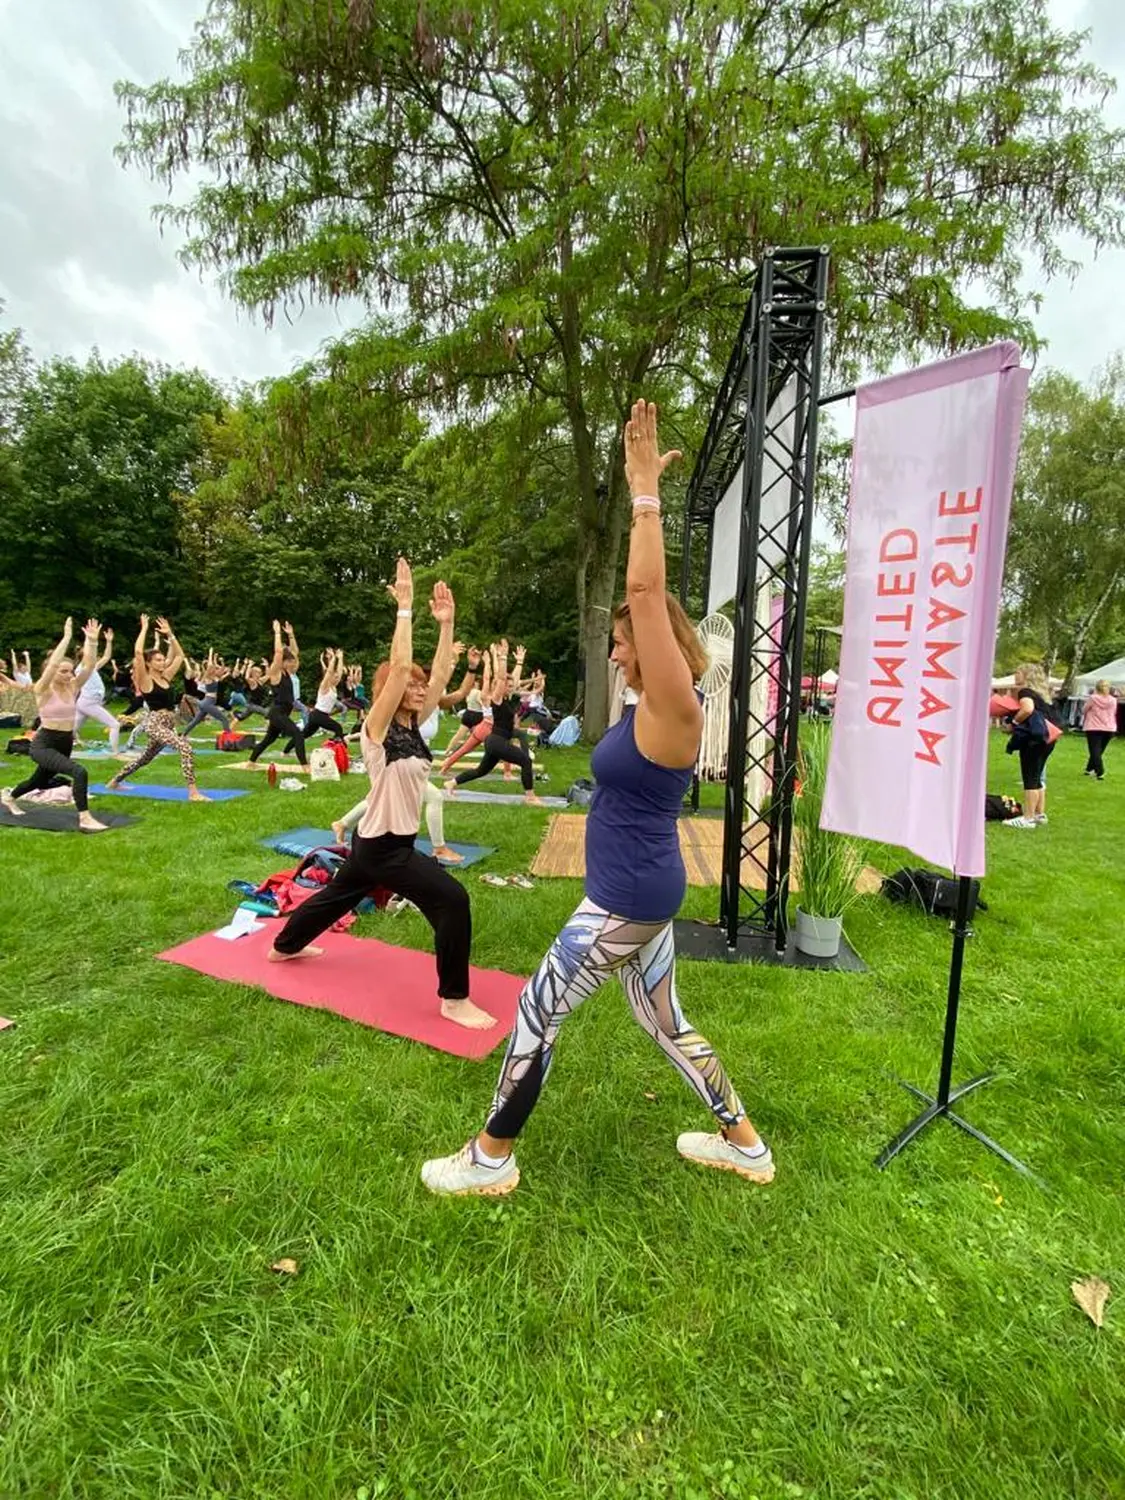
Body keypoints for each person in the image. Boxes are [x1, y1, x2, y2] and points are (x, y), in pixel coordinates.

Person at [422, 399, 773, 1196]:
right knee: (666, 1024)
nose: (616, 650)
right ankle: (745, 1145)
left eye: (622, 641)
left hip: (622, 901)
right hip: (640, 894)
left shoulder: (675, 703)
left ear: (655, 644)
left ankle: (489, 1158)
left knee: (535, 1014)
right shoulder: (643, 707)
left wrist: (642, 491)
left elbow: (646, 595)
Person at [266, 562, 496, 1031]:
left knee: (335, 897)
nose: (417, 687)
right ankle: (454, 999)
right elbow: (396, 677)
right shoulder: (377, 730)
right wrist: (406, 611)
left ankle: (283, 946)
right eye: (407, 683)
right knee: (452, 901)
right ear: (386, 691)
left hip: (378, 845)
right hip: (386, 848)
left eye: (419, 683)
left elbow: (441, 674)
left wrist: (447, 622)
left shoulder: (415, 723)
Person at [2, 618, 108, 831]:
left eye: (70, 671)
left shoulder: (73, 686)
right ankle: (84, 818)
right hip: (44, 743)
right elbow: (52, 665)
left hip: (65, 742)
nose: (69, 675)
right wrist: (67, 637)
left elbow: (88, 666)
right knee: (79, 772)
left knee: (38, 781)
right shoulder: (43, 688)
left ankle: (10, 798)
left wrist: (92, 641)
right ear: (52, 671)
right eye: (63, 671)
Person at [107, 616, 208, 801]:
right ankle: (193, 792)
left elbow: (179, 656)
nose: (163, 662)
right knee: (185, 747)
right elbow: (138, 653)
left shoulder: (166, 677)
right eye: (158, 660)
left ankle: (114, 781)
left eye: (163, 659)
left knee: (144, 758)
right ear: (149, 663)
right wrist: (144, 628)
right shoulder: (145, 680)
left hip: (168, 723)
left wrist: (170, 634)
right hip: (155, 723)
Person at [444, 641, 541, 803]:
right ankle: (530, 797)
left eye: (511, 686)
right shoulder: (496, 699)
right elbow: (501, 677)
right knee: (526, 761)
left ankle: (452, 782)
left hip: (496, 740)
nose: (510, 688)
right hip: (496, 740)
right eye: (507, 686)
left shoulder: (507, 698)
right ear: (499, 687)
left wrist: (519, 662)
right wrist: (501, 657)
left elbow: (513, 679)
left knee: (481, 770)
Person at [1002, 662, 1060, 828]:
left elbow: (1027, 709)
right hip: (1048, 738)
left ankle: (1027, 818)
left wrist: (1013, 722)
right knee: (1038, 777)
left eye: (1018, 672)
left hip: (1033, 739)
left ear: (1026, 675)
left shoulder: (1025, 692)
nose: (1015, 674)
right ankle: (1039, 813)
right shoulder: (1043, 694)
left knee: (1030, 778)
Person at [248, 621, 308, 766]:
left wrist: (291, 635)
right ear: (283, 662)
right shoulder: (275, 672)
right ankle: (305, 765)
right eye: (290, 662)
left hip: (283, 712)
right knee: (298, 734)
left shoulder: (288, 671)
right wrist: (277, 633)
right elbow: (279, 653)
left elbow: (295, 652)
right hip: (277, 712)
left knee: (269, 739)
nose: (293, 664)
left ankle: (251, 761)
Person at [73, 626, 121, 752]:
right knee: (115, 725)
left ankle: (50, 744)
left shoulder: (91, 668)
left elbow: (106, 657)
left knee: (70, 729)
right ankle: (115, 752)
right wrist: (89, 639)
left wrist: (109, 641)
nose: (95, 658)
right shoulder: (82, 668)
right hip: (88, 703)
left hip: (86, 703)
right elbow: (88, 654)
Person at [1081, 679, 1118, 780]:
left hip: (1093, 727)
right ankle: (1089, 768)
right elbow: (1113, 712)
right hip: (1109, 727)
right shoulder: (1113, 700)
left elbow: (1084, 710)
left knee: (1095, 750)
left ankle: (1100, 771)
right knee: (1099, 750)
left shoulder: (1093, 698)